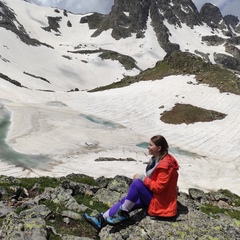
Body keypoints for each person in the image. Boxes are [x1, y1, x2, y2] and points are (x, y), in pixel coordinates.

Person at [83, 135, 179, 231]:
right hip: (156, 197)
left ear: (159, 148)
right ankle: (101, 219)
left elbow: (158, 187)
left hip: (161, 203)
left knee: (137, 183)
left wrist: (142, 178)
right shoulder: (158, 159)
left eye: (150, 145)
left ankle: (123, 213)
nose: (148, 147)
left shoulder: (165, 166)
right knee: (126, 200)